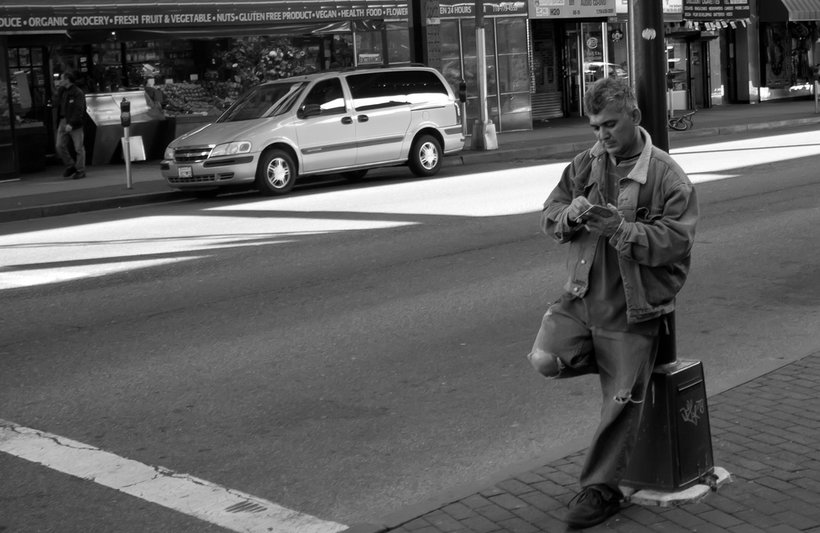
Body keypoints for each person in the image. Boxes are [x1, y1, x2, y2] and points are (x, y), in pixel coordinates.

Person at [527, 76, 698, 529]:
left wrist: (620, 229)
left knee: (619, 402)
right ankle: (623, 370)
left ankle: (601, 489)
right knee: (545, 359)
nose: (601, 135)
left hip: (633, 309)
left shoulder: (665, 174)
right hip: (581, 299)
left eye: (609, 124)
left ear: (635, 117)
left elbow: (677, 244)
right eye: (594, 126)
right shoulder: (587, 163)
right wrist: (570, 214)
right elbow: (550, 212)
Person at [55, 71, 87, 180]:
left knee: (78, 147)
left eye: (61, 78)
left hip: (74, 123)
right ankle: (71, 165)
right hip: (63, 120)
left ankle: (80, 170)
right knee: (59, 145)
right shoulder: (62, 91)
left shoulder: (77, 92)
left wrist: (72, 123)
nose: (60, 80)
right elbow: (57, 104)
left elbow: (79, 109)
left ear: (67, 80)